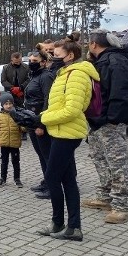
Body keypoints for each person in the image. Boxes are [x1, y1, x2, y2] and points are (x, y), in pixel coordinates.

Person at [37, 32, 99, 242]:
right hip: (60, 130)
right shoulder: (65, 72)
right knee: (67, 179)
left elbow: (72, 109)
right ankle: (71, 227)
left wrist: (43, 118)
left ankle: (62, 223)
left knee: (52, 177)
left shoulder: (77, 74)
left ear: (70, 55)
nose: (51, 56)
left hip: (68, 131)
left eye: (55, 53)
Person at [83, 29, 128, 224]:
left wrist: (113, 119)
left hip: (110, 122)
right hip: (98, 121)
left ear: (94, 44)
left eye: (88, 44)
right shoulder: (101, 61)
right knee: (99, 157)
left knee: (117, 162)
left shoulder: (116, 61)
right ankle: (105, 196)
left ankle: (120, 206)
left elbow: (121, 93)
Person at [24, 50, 55, 199]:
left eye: (35, 60)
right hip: (32, 120)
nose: (31, 63)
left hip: (41, 122)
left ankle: (52, 187)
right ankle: (47, 181)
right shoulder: (34, 76)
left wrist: (41, 125)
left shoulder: (46, 76)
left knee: (48, 155)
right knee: (42, 155)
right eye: (30, 60)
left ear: (43, 62)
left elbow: (48, 101)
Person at [0, 93, 25, 187]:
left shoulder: (17, 114)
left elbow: (23, 128)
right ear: (2, 105)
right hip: (4, 143)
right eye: (6, 104)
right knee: (4, 161)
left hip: (15, 143)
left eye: (10, 103)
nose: (8, 106)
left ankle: (17, 178)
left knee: (16, 162)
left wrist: (23, 124)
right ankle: (3, 178)